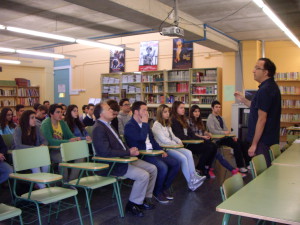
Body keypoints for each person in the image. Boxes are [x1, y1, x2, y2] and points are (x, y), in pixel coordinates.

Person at [92, 102, 157, 217]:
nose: (112, 110)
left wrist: (130, 149)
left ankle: (144, 199)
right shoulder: (98, 128)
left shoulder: (108, 125)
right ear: (101, 114)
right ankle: (133, 204)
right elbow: (105, 152)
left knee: (152, 169)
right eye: (108, 109)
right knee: (143, 175)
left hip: (124, 157)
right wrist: (128, 152)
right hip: (113, 164)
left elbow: (119, 144)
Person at [124, 101, 180, 204]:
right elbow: (140, 139)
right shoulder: (130, 125)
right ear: (136, 112)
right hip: (142, 154)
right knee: (163, 167)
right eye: (144, 110)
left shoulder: (145, 124)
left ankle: (163, 188)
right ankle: (157, 192)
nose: (146, 112)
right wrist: (145, 124)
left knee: (175, 163)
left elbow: (152, 140)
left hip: (153, 151)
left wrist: (160, 150)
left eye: (147, 110)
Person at [234, 58, 281, 167]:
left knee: (264, 175)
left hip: (262, 142)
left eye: (257, 68)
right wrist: (243, 99)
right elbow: (256, 107)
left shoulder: (265, 90)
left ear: (265, 72)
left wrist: (254, 144)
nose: (253, 71)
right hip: (269, 139)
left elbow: (262, 119)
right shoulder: (271, 87)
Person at [152, 104, 205, 191]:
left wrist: (179, 141)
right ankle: (191, 183)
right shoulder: (156, 125)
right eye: (165, 112)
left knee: (189, 152)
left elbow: (173, 136)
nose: (167, 114)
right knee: (183, 158)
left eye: (168, 112)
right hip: (165, 148)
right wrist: (175, 144)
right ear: (160, 113)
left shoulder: (167, 124)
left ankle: (194, 176)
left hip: (173, 146)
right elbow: (164, 140)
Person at [188, 105, 246, 178]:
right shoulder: (189, 121)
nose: (197, 113)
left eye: (198, 111)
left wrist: (207, 133)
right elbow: (192, 134)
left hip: (203, 141)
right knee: (215, 151)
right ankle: (232, 170)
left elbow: (203, 131)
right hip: (196, 142)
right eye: (195, 111)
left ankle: (208, 168)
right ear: (191, 112)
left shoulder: (200, 121)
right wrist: (203, 136)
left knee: (215, 149)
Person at [170, 101, 216, 178]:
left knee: (213, 145)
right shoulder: (174, 120)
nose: (183, 110)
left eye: (184, 108)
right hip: (184, 144)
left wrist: (201, 139)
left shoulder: (183, 119)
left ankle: (206, 167)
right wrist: (195, 140)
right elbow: (181, 136)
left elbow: (191, 133)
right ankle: (199, 168)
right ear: (175, 109)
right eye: (181, 108)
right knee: (209, 147)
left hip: (190, 141)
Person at [41, 104, 81, 181]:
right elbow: (50, 141)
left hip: (63, 149)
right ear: (51, 114)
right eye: (58, 112)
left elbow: (70, 135)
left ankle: (72, 181)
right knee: (63, 159)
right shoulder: (46, 124)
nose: (60, 114)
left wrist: (75, 139)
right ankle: (64, 182)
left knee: (80, 156)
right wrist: (68, 141)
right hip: (52, 151)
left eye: (61, 112)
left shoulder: (62, 123)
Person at [206, 101, 248, 173]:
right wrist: (224, 133)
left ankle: (247, 164)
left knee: (240, 142)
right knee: (236, 144)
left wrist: (232, 137)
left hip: (223, 138)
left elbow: (226, 130)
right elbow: (212, 131)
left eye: (219, 107)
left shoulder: (221, 118)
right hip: (216, 139)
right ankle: (240, 166)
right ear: (212, 108)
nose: (218, 109)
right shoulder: (210, 118)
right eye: (216, 107)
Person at [12, 110, 49, 189]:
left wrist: (43, 145)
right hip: (22, 156)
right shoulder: (18, 129)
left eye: (34, 118)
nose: (34, 120)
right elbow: (17, 146)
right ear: (26, 119)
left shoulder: (36, 128)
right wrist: (35, 148)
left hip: (34, 154)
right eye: (32, 118)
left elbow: (45, 140)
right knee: (34, 164)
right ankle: (43, 187)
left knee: (46, 163)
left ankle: (40, 183)